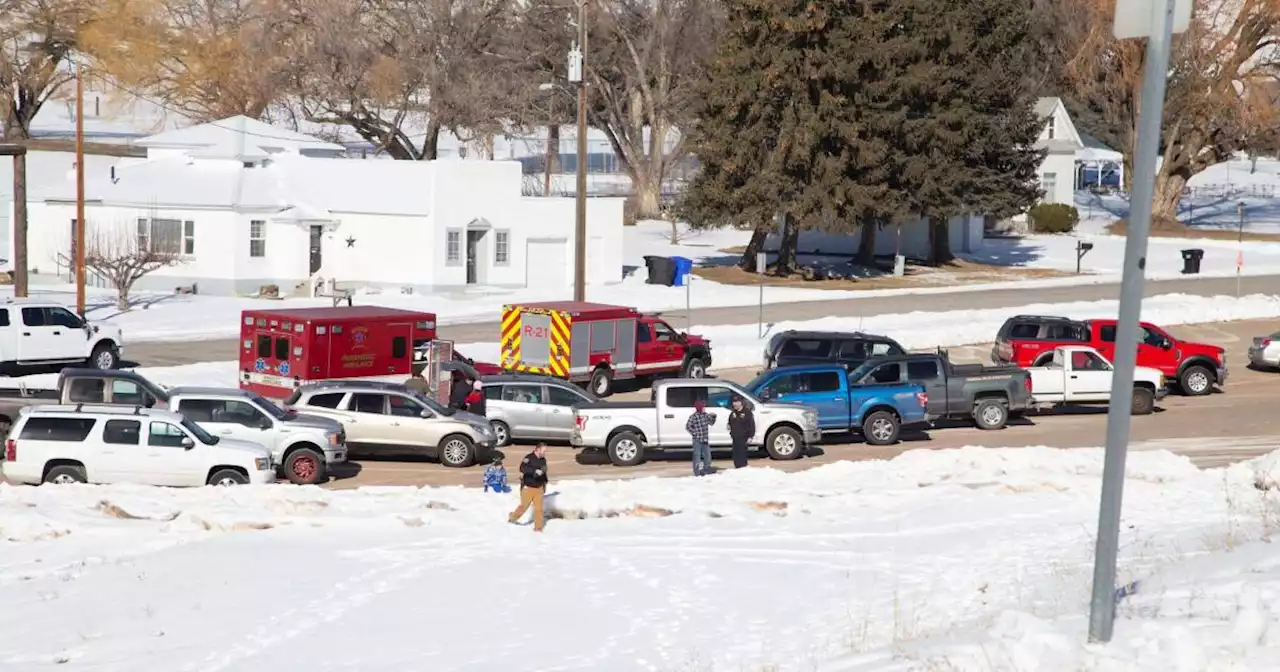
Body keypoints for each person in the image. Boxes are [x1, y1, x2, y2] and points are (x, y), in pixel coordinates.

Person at [508, 443, 549, 531]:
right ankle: (513, 518)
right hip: (528, 487)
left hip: (539, 487)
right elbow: (522, 468)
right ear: (538, 449)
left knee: (539, 509)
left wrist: (545, 482)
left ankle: (538, 528)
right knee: (524, 507)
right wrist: (534, 471)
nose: (545, 452)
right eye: (544, 450)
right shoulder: (528, 458)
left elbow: (544, 471)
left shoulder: (543, 460)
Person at [685, 398, 716, 477]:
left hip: (705, 439)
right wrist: (695, 433)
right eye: (703, 407)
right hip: (697, 440)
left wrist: (713, 418)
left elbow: (711, 423)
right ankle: (697, 471)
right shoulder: (694, 416)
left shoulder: (705, 415)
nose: (704, 408)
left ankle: (707, 468)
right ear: (699, 408)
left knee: (707, 454)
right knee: (697, 455)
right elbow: (688, 426)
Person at [728, 395, 755, 469]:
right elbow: (729, 422)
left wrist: (750, 436)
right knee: (736, 456)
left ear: (741, 403)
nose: (735, 404)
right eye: (734, 402)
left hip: (743, 438)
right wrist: (729, 426)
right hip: (735, 438)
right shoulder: (733, 413)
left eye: (736, 402)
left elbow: (752, 425)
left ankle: (743, 470)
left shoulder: (747, 413)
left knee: (742, 456)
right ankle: (737, 469)